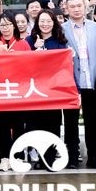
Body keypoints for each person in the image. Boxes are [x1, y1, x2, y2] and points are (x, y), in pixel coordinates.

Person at [61, 0, 96, 170]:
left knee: (93, 121)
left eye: (79, 6)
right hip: (71, 82)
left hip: (93, 80)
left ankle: (94, 156)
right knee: (70, 122)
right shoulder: (61, 29)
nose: (76, 9)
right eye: (72, 6)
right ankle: (72, 157)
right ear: (66, 9)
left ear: (85, 7)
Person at [26, 9, 72, 169]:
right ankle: (38, 157)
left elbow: (64, 65)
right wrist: (34, 51)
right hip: (34, 90)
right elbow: (23, 64)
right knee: (35, 124)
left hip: (54, 90)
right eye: (42, 21)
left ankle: (50, 158)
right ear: (37, 23)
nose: (45, 24)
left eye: (48, 21)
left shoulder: (60, 41)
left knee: (52, 124)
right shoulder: (29, 40)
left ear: (54, 23)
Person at [0, 12, 31, 172]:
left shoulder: (23, 44)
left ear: (14, 25)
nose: (5, 28)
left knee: (19, 125)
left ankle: (18, 156)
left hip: (18, 91)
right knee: (1, 126)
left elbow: (30, 66)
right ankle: (5, 157)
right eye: (2, 25)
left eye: (8, 24)